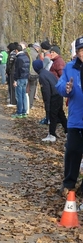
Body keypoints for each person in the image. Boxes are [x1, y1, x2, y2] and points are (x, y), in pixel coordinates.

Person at [56, 36, 83, 197]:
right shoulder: (70, 67)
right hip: (76, 118)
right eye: (81, 50)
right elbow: (60, 85)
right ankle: (68, 184)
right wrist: (66, 89)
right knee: (72, 151)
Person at [32, 59, 67, 142]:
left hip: (53, 96)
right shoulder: (47, 72)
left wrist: (47, 106)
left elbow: (46, 91)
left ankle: (52, 134)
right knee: (61, 114)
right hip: (58, 94)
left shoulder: (42, 76)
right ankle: (67, 131)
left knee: (52, 116)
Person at [11, 44, 30, 118]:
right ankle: (24, 111)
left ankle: (19, 112)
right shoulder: (26, 57)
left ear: (16, 50)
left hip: (20, 78)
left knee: (19, 96)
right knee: (24, 95)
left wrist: (15, 80)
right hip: (25, 78)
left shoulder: (18, 58)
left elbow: (17, 70)